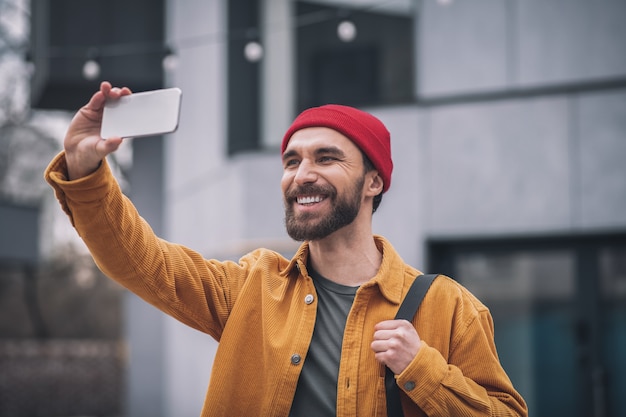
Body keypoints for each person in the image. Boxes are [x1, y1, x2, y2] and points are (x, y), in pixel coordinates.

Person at [45, 81, 528, 417]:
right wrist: (86, 172)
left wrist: (420, 368)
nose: (301, 175)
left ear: (373, 181)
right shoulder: (251, 287)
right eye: (291, 161)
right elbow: (140, 261)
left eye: (326, 158)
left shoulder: (450, 308)